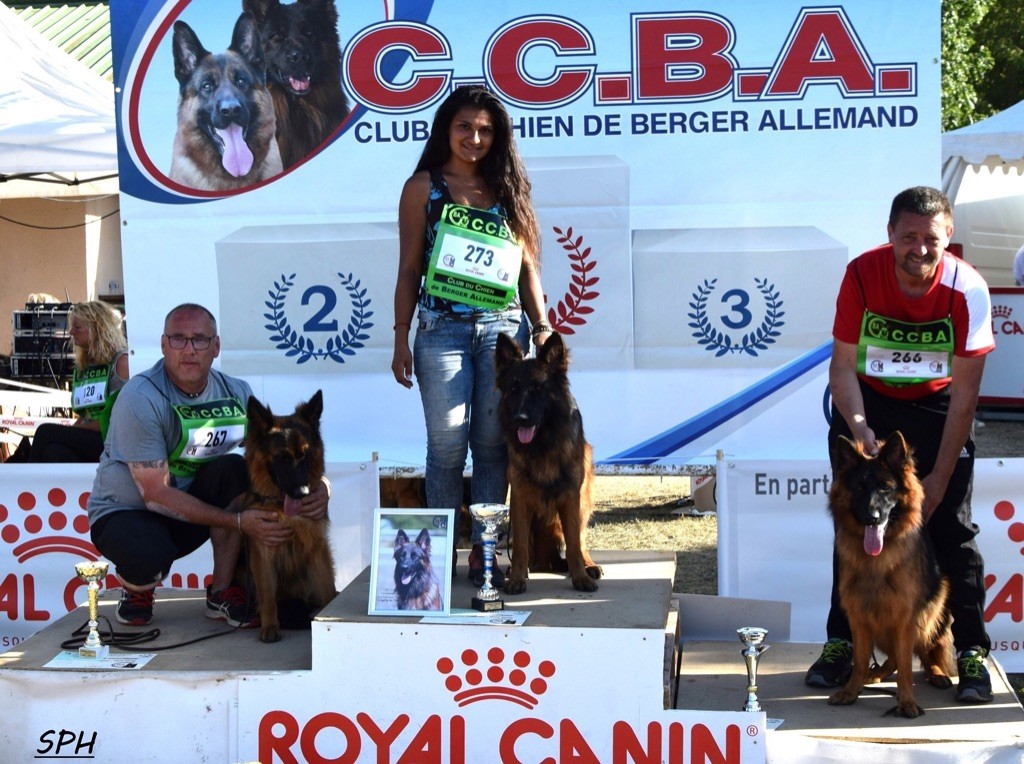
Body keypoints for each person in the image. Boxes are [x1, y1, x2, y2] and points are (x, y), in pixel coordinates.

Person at [805, 186, 996, 703]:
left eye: (930, 238)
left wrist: (938, 478)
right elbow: (841, 368)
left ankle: (971, 651)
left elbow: (966, 397)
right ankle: (843, 644)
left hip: (938, 406)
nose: (919, 248)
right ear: (890, 234)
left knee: (953, 528)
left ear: (949, 235)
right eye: (908, 236)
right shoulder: (862, 274)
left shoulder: (968, 289)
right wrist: (860, 428)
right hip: (870, 403)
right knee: (855, 523)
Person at [390, 85, 552, 588]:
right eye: (465, 127)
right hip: (441, 331)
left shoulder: (509, 188)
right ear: (446, 129)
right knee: (445, 446)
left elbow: (528, 269)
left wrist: (542, 326)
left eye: (485, 130)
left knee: (492, 447)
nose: (475, 138)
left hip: (503, 332)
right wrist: (400, 337)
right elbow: (409, 269)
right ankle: (435, 558)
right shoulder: (422, 187)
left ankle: (485, 555)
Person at [86, 303, 330, 627]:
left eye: (200, 340)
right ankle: (137, 588)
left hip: (189, 511)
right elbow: (155, 495)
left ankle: (222, 592)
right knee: (149, 551)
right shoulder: (140, 397)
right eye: (178, 339)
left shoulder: (236, 391)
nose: (189, 350)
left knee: (237, 470)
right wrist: (238, 522)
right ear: (163, 345)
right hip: (127, 512)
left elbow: (278, 450)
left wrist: (320, 486)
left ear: (216, 347)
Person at [8, 301, 129, 462]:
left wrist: (74, 430)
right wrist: (73, 430)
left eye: (78, 327)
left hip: (111, 441)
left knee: (45, 431)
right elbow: (85, 415)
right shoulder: (85, 365)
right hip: (90, 439)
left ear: (97, 329)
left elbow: (115, 418)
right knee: (53, 451)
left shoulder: (120, 362)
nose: (71, 331)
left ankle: (28, 476)